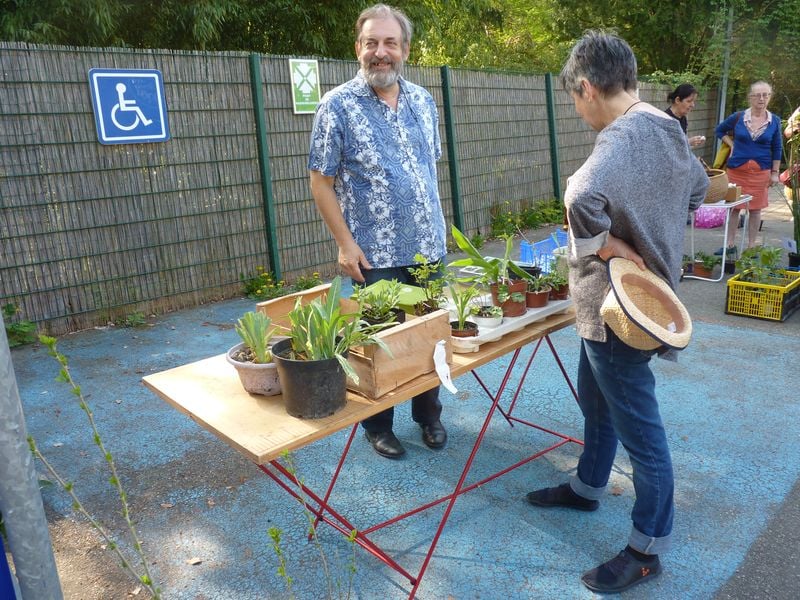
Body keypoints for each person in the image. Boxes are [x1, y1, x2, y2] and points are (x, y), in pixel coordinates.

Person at [524, 31, 708, 594]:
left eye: (574, 100)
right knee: (597, 400)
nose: (578, 112)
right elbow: (698, 188)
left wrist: (610, 246)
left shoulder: (619, 137)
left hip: (617, 308)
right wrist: (654, 228)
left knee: (641, 435)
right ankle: (587, 488)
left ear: (586, 87)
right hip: (639, 303)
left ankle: (647, 549)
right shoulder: (665, 126)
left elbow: (579, 195)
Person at [307, 3, 447, 459]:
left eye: (390, 43)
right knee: (377, 344)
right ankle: (378, 425)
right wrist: (344, 244)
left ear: (405, 50)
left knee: (429, 339)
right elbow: (321, 182)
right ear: (358, 48)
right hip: (375, 255)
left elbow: (426, 169)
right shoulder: (336, 106)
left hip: (428, 248)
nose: (380, 52)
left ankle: (429, 416)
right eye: (372, 43)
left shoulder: (423, 101)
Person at [714, 81, 782, 254]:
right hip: (736, 170)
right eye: (758, 95)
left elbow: (777, 148)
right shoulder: (738, 117)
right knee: (733, 208)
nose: (762, 99)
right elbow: (719, 131)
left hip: (761, 172)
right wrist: (732, 145)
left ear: (770, 97)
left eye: (765, 95)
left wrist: (775, 173)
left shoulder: (774, 121)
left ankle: (751, 247)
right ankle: (729, 245)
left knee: (756, 210)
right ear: (750, 97)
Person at [665, 83, 706, 148]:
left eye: (694, 101)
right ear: (677, 100)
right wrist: (688, 142)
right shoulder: (665, 119)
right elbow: (665, 148)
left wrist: (692, 144)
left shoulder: (683, 118)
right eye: (689, 101)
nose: (693, 105)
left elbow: (681, 147)